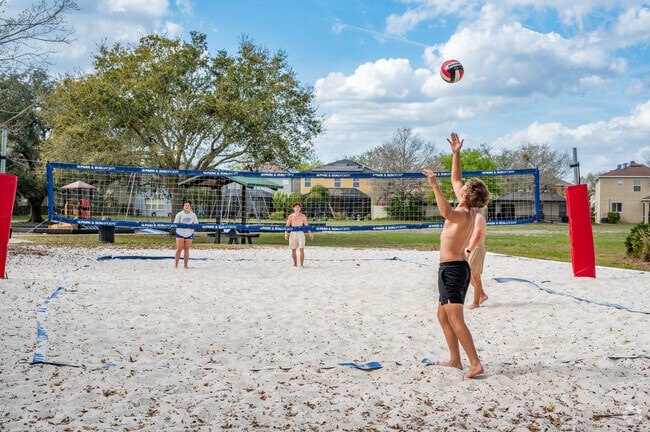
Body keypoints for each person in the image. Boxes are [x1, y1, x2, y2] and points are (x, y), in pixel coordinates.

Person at [422, 132, 490, 379]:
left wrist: (434, 186)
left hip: (453, 269)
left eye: (462, 189)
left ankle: (475, 363)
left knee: (456, 319)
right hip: (452, 268)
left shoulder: (461, 215)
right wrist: (456, 154)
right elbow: (457, 178)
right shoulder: (470, 210)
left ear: (465, 195)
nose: (459, 187)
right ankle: (455, 360)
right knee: (443, 315)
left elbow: (446, 211)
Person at [466, 211, 488, 309]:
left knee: (475, 277)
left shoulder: (478, 217)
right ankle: (482, 295)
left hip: (477, 248)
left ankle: (476, 303)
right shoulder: (473, 217)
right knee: (469, 276)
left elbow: (477, 236)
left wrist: (469, 250)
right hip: (474, 247)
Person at [284, 202, 314, 267]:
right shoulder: (291, 216)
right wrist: (286, 233)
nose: (297, 208)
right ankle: (295, 263)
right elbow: (287, 225)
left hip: (300, 233)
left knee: (301, 249)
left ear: (300, 208)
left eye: (298, 207)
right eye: (296, 207)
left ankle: (301, 265)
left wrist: (310, 233)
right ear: (293, 208)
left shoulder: (303, 216)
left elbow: (306, 225)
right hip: (293, 233)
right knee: (293, 250)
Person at [174, 200, 199, 269]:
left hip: (189, 233)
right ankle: (176, 265)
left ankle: (185, 265)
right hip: (180, 233)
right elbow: (175, 224)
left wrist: (192, 226)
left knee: (187, 249)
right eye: (186, 205)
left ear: (190, 206)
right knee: (179, 249)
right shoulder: (179, 214)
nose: (187, 207)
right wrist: (183, 225)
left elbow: (196, 224)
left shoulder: (193, 215)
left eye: (188, 205)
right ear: (183, 206)